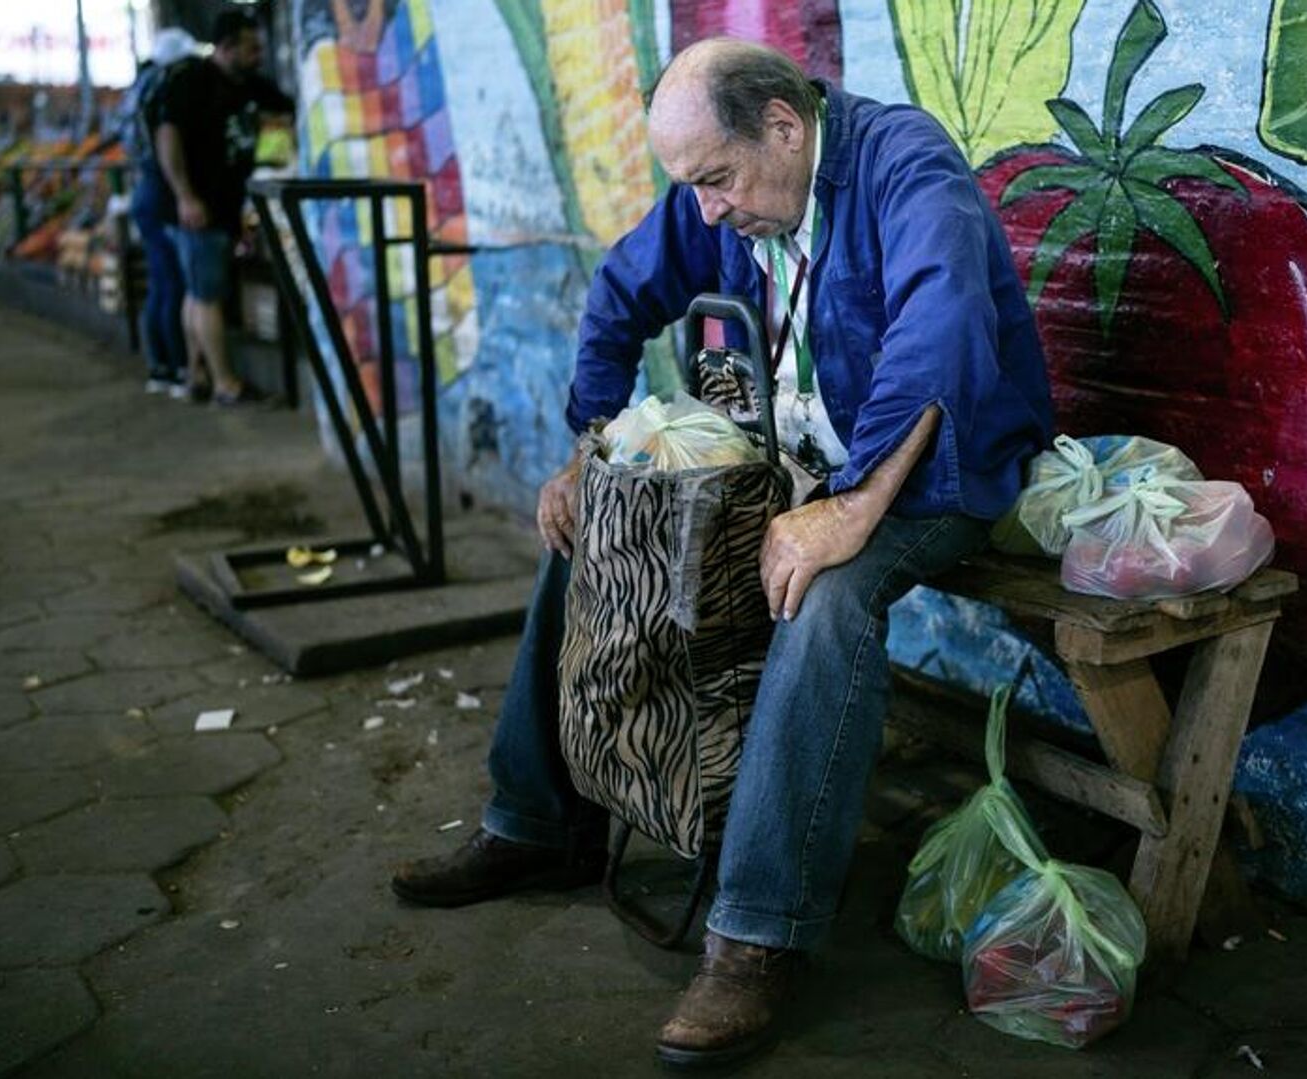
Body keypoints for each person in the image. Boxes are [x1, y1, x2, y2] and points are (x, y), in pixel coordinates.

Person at [391, 39, 1054, 1068]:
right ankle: (536, 820)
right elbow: (619, 292)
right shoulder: (728, 197)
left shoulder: (905, 164)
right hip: (795, 461)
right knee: (597, 523)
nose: (704, 210)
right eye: (692, 185)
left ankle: (757, 932)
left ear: (783, 127)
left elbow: (942, 330)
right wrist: (588, 449)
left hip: (936, 467)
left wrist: (849, 507)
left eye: (716, 179)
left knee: (824, 595)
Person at [152, 9, 293, 406]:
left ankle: (196, 374)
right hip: (197, 210)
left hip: (219, 208)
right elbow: (167, 139)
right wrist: (186, 196)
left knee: (197, 293)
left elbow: (286, 110)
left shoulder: (251, 85)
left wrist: (277, 150)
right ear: (226, 47)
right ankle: (225, 384)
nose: (259, 56)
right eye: (251, 49)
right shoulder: (191, 82)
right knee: (207, 297)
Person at [122, 28, 199, 396]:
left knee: (160, 282)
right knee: (173, 283)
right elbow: (167, 144)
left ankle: (159, 366)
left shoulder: (139, 89)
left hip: (146, 190)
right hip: (159, 191)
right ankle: (179, 366)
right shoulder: (164, 90)